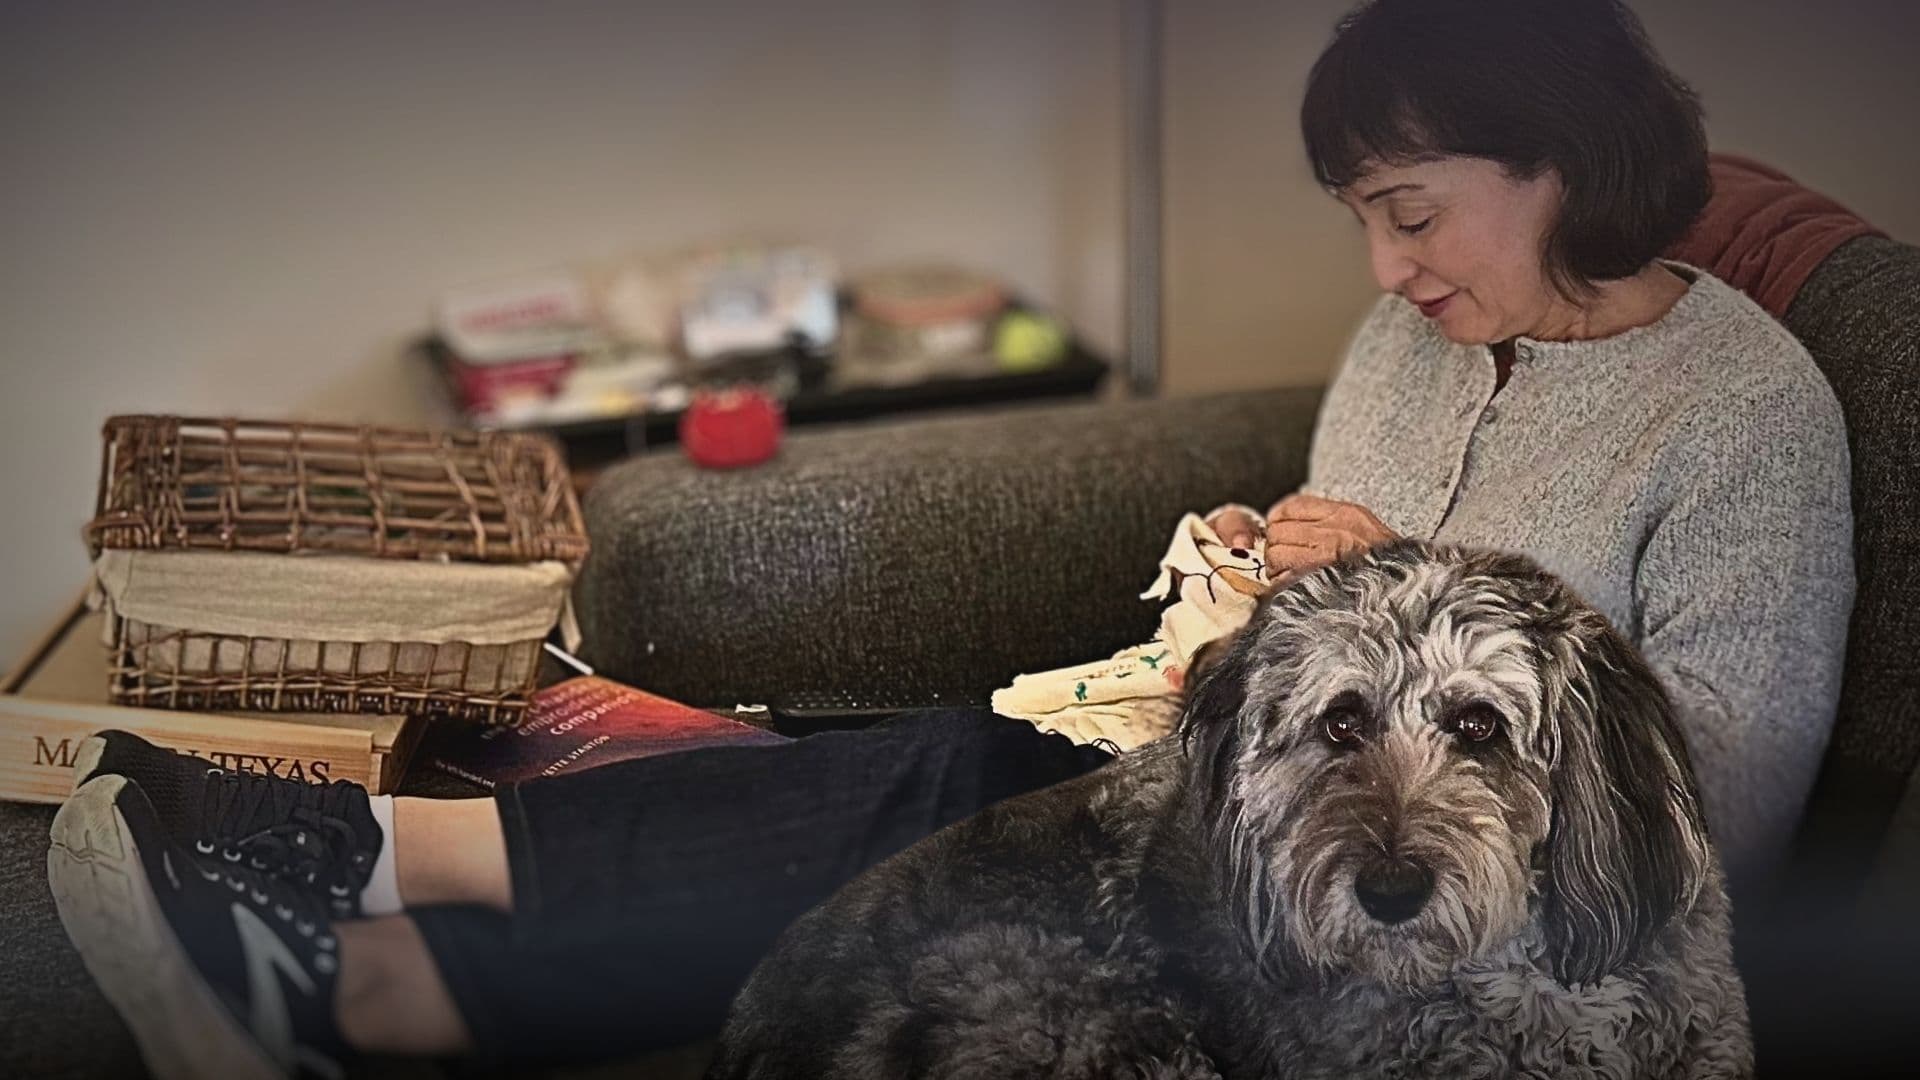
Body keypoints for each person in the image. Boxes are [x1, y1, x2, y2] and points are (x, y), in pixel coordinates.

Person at [47, 1, 1854, 1077]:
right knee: (928, 769)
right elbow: (1296, 624)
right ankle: (361, 948)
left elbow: (1724, 808)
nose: (1382, 271)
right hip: (1236, 773)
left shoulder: (1744, 415)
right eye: (1365, 224)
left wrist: (1393, 615)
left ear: (1562, 155)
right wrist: (1265, 569)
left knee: (956, 796)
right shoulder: (1414, 339)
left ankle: (355, 909)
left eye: (1407, 213)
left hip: (1473, 913)